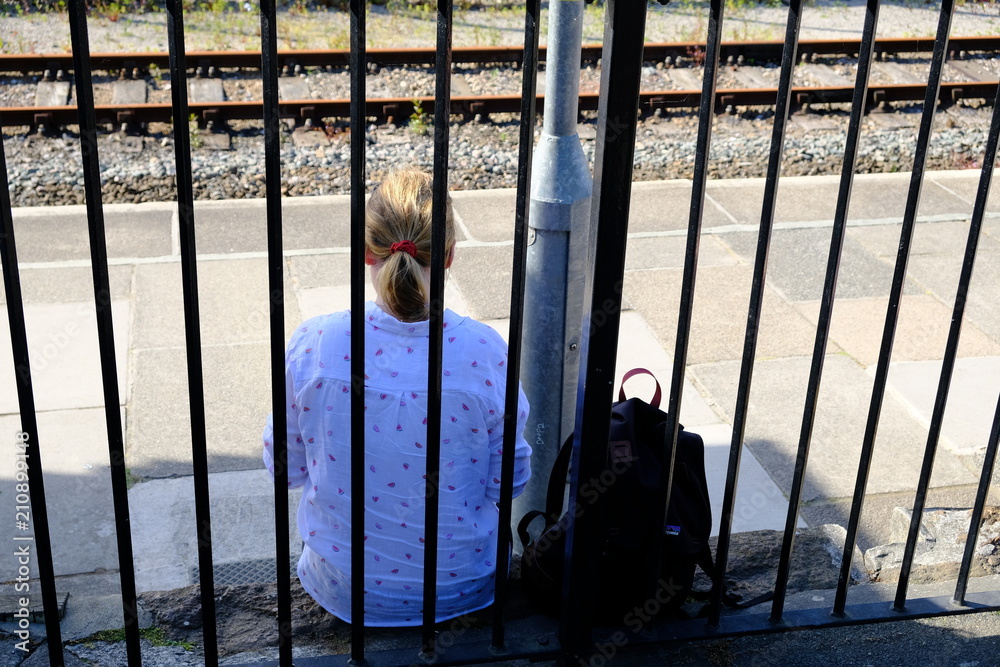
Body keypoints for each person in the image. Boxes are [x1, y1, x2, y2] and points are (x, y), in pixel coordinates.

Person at [263, 169, 532, 626]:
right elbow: (508, 482)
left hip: (343, 587)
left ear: (366, 252)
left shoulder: (314, 344)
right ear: (448, 256)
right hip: (462, 586)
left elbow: (285, 469)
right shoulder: (485, 353)